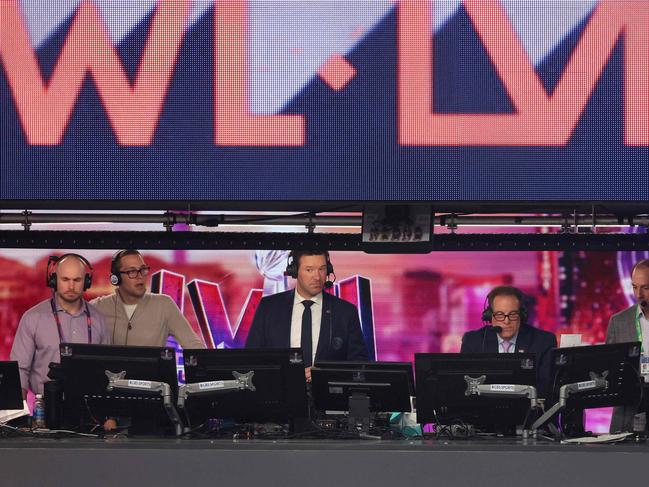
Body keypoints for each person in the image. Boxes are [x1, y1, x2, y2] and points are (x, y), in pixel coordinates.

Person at [245, 250, 369, 381]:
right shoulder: (268, 307)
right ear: (294, 271)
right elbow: (252, 359)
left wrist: (325, 374)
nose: (317, 277)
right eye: (309, 270)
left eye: (322, 269)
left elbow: (359, 364)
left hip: (327, 397)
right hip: (281, 394)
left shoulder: (345, 312)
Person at [10, 254, 110, 398]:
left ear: (86, 282)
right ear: (54, 280)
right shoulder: (32, 318)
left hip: (88, 408)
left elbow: (106, 369)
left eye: (77, 280)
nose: (71, 286)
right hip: (45, 408)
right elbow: (19, 371)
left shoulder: (99, 320)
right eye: (65, 279)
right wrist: (19, 414)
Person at [91, 249, 204, 349]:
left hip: (152, 373)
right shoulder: (98, 307)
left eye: (142, 270)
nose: (140, 276)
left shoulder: (164, 304)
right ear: (116, 279)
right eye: (132, 271)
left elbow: (194, 345)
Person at [460, 285, 557, 398]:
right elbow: (464, 386)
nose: (506, 321)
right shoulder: (473, 341)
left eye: (513, 314)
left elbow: (546, 388)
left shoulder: (543, 341)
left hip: (529, 411)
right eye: (500, 315)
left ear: (522, 315)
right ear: (489, 316)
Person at [606, 259, 649, 432]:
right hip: (629, 409)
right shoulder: (619, 321)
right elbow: (608, 367)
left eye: (645, 288)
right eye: (634, 287)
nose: (638, 295)